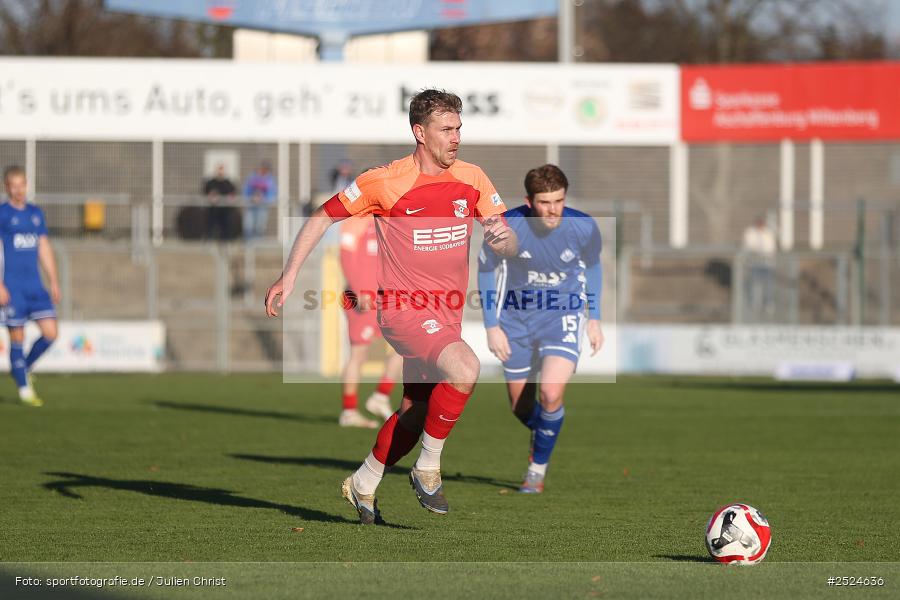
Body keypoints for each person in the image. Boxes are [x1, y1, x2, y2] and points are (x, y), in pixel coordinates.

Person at [265, 89, 517, 525]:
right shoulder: (384, 181)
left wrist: (502, 239)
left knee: (414, 415)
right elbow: (322, 217)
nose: (456, 137)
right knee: (466, 368)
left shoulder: (473, 177)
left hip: (447, 314)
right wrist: (289, 276)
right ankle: (428, 469)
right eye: (446, 129)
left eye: (459, 128)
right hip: (403, 310)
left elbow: (504, 232)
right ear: (420, 133)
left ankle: (364, 482)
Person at [477, 164, 604, 494]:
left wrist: (594, 317)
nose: (553, 210)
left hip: (562, 314)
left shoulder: (584, 227)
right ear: (529, 201)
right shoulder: (507, 226)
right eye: (545, 203)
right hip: (515, 320)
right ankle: (547, 428)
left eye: (559, 201)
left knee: (550, 392)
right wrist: (492, 326)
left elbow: (593, 268)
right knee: (521, 408)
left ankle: (536, 469)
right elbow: (487, 271)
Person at [0, 166, 61, 406]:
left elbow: (43, 247)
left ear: (26, 184)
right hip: (11, 287)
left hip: (35, 286)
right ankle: (25, 390)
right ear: (6, 187)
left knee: (51, 333)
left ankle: (23, 368)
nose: (18, 190)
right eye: (13, 186)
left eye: (21, 184)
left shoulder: (35, 214)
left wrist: (53, 280)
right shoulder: (3, 214)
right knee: (17, 336)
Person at [337, 213, 402, 428]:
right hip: (361, 298)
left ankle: (380, 397)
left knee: (406, 350)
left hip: (386, 298)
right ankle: (349, 412)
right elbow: (346, 257)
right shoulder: (355, 221)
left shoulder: (389, 220)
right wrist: (358, 291)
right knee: (359, 354)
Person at [741, 214, 776, 321]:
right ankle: (753, 304)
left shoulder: (768, 233)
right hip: (754, 263)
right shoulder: (750, 232)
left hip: (767, 263)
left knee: (768, 285)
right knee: (753, 284)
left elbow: (771, 247)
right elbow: (748, 246)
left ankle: (768, 304)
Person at [243, 161, 276, 240]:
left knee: (260, 226)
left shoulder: (270, 180)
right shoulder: (252, 177)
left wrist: (263, 199)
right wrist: (251, 198)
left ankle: (258, 246)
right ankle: (249, 247)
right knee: (248, 225)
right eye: (263, 168)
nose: (264, 171)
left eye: (266, 169)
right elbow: (246, 190)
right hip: (251, 205)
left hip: (262, 206)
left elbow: (272, 194)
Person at [203, 164, 237, 241]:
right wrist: (210, 196)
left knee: (225, 226)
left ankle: (225, 243)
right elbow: (205, 192)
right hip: (212, 210)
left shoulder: (228, 183)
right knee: (210, 226)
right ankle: (209, 242)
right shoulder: (210, 182)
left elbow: (233, 194)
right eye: (219, 169)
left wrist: (230, 198)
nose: (220, 172)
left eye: (222, 170)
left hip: (225, 210)